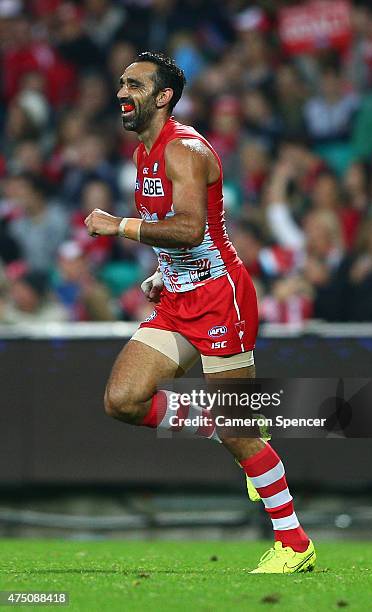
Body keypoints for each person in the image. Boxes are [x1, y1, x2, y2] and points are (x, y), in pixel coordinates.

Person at [85, 52, 316, 573]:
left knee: (242, 432)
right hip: (178, 297)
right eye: (120, 82)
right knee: (123, 399)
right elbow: (190, 237)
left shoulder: (183, 150)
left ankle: (296, 545)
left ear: (163, 97)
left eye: (135, 85)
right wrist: (164, 273)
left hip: (220, 298)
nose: (122, 91)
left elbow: (191, 228)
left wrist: (117, 225)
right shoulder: (145, 152)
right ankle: (230, 426)